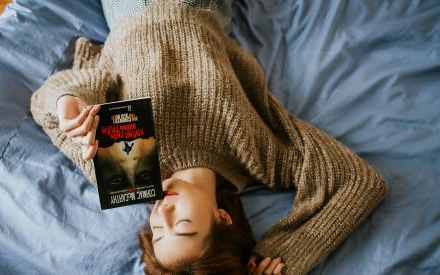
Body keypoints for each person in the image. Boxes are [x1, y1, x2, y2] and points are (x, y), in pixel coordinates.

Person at [29, 0, 388, 274]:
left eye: (157, 233)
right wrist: (286, 253)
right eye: (182, 226)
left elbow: (46, 102)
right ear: (222, 218)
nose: (162, 215)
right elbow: (358, 183)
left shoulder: (126, 171)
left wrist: (68, 104)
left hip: (131, 9)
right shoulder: (254, 155)